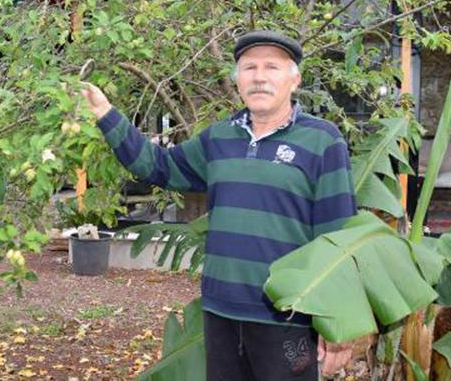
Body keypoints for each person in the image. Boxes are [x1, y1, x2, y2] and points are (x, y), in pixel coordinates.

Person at [81, 30, 356, 380]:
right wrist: (106, 113)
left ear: (294, 78)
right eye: (249, 67)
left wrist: (338, 325)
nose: (259, 77)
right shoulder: (220, 137)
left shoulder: (322, 141)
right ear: (237, 78)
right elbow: (159, 166)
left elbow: (338, 238)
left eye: (272, 67)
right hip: (221, 312)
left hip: (288, 320)